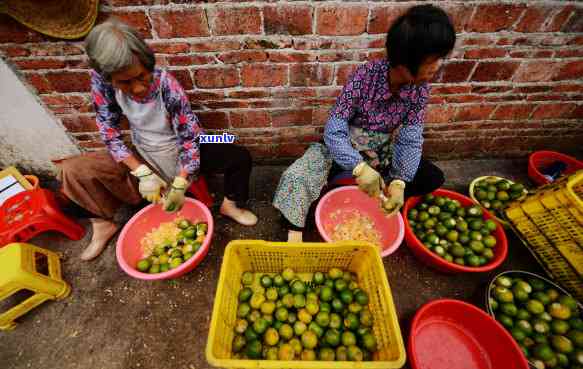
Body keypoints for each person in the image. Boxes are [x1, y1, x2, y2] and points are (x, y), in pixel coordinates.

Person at [58, 19, 258, 261]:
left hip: (187, 141)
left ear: (148, 63)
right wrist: (141, 172)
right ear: (108, 77)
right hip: (144, 149)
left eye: (141, 76)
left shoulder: (168, 86)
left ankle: (230, 205)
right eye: (124, 82)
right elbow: (109, 133)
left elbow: (189, 138)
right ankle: (102, 223)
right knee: (72, 170)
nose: (138, 88)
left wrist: (181, 183)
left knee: (235, 152)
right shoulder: (102, 82)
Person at [273, 4, 455, 242]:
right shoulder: (365, 77)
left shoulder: (419, 90)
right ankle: (329, 199)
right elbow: (334, 129)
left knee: (431, 177)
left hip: (381, 152)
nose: (437, 66)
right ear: (405, 61)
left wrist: (399, 181)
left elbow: (411, 137)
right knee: (298, 178)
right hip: (343, 150)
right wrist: (358, 167)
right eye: (432, 60)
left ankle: (377, 199)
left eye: (440, 58)